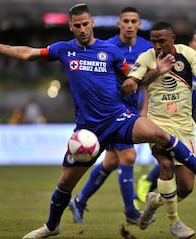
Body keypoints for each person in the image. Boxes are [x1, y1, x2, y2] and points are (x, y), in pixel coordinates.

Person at [0, 4, 196, 239]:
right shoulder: (63, 49)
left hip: (119, 118)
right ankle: (52, 226)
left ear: (92, 23)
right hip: (89, 131)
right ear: (71, 27)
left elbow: (134, 79)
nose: (82, 29)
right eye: (77, 26)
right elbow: (30, 53)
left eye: (85, 24)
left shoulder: (110, 51)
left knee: (160, 134)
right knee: (65, 182)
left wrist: (153, 73)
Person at [124, 22, 196, 238]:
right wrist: (156, 72)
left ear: (173, 39)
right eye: (154, 40)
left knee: (186, 187)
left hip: (184, 126)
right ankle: (175, 223)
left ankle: (155, 201)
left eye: (161, 41)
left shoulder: (188, 54)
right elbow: (132, 82)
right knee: (165, 166)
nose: (157, 45)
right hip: (157, 125)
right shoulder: (146, 58)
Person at [67, 6, 152, 225]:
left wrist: (145, 109)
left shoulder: (147, 48)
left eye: (134, 21)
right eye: (126, 21)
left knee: (112, 161)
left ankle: (80, 200)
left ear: (139, 24)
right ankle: (131, 211)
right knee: (129, 157)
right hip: (113, 112)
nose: (130, 25)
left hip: (133, 109)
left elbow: (149, 81)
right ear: (119, 24)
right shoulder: (109, 47)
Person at [136, 28, 196, 204]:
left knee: (184, 181)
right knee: (167, 162)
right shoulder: (175, 59)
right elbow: (153, 88)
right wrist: (145, 110)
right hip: (162, 117)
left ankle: (156, 198)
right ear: (190, 44)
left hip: (184, 119)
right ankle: (148, 183)